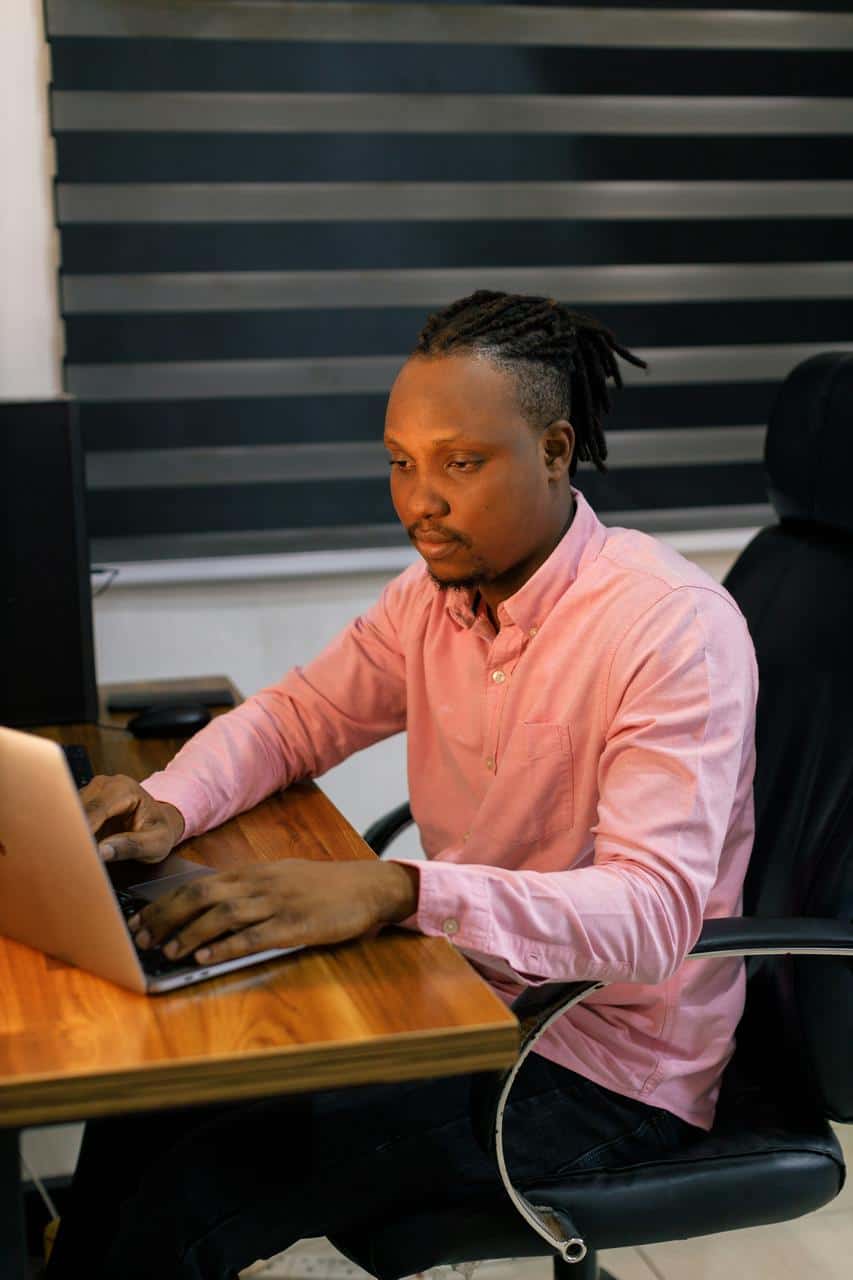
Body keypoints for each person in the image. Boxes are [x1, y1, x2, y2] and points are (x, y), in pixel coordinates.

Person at [47, 291, 758, 1280]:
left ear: (554, 450)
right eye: (399, 461)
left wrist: (397, 889)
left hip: (602, 1064)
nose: (419, 499)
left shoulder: (669, 626)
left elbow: (650, 919)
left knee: (193, 1190)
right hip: (466, 994)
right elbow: (297, 717)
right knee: (151, 1090)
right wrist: (170, 801)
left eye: (459, 462)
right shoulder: (433, 597)